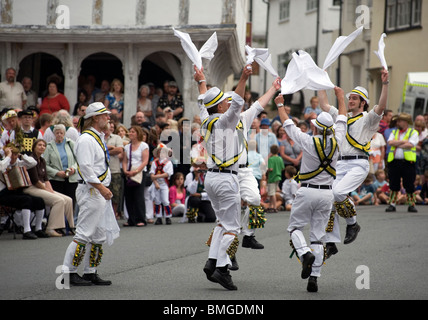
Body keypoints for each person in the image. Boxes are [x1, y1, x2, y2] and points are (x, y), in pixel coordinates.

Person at [277, 85, 347, 293]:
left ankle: (304, 252)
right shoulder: (338, 140)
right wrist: (340, 98)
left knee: (295, 229)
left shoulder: (308, 141)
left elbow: (288, 125)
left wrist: (280, 104)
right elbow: (342, 118)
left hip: (307, 190)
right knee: (318, 235)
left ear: (316, 128)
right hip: (327, 193)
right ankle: (314, 278)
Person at [318, 68, 389, 257]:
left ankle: (353, 224)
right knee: (328, 199)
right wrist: (321, 81)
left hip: (359, 164)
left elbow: (381, 107)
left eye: (354, 99)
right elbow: (324, 104)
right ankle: (331, 242)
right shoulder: (342, 116)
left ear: (363, 102)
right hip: (339, 164)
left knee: (338, 192)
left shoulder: (368, 119)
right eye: (349, 98)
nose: (350, 101)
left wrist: (385, 84)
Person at [61, 102, 117, 286]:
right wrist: (101, 188)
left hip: (99, 192)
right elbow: (85, 168)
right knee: (84, 233)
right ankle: (69, 272)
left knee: (98, 235)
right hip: (92, 190)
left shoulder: (96, 137)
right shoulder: (86, 139)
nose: (108, 118)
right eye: (105, 115)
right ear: (95, 118)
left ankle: (90, 272)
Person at [23, 139, 74, 237]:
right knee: (58, 200)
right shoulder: (31, 160)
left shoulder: (42, 160)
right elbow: (35, 181)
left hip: (42, 187)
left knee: (68, 200)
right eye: (39, 145)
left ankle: (69, 227)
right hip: (32, 187)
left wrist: (50, 190)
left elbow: (46, 179)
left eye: (43, 145)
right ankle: (51, 228)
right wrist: (47, 191)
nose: (42, 147)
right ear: (34, 147)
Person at [0, 144, 47, 239]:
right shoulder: (3, 163)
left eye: (15, 154)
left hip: (17, 192)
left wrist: (21, 155)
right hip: (3, 194)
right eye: (12, 154)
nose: (14, 157)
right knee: (26, 200)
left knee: (39, 201)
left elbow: (33, 163)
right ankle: (26, 230)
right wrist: (8, 156)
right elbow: (1, 168)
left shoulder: (19, 163)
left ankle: (38, 228)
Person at [385, 113, 419, 212]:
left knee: (409, 183)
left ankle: (411, 204)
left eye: (399, 121)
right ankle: (392, 204)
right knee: (393, 183)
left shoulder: (413, 132)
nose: (397, 123)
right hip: (394, 162)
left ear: (405, 122)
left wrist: (397, 143)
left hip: (408, 162)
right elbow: (390, 142)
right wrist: (404, 141)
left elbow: (411, 144)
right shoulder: (394, 132)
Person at [44, 124, 78, 211]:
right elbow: (45, 164)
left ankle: (69, 222)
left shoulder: (71, 144)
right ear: (54, 134)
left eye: (61, 133)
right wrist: (56, 172)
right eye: (57, 133)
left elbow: (78, 161)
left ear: (64, 134)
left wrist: (73, 169)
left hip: (71, 179)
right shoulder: (49, 146)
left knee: (70, 202)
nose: (59, 135)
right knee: (58, 203)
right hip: (56, 179)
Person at [122, 125, 149, 227]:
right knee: (128, 196)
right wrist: (125, 170)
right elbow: (125, 160)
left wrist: (136, 171)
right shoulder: (127, 147)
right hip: (129, 172)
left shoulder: (143, 146)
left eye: (133, 132)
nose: (130, 133)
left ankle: (140, 218)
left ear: (138, 133)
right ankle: (131, 219)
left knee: (138, 196)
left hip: (140, 173)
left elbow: (145, 161)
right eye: (130, 132)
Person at [183, 159, 216, 223]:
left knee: (212, 218)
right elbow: (192, 192)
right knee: (195, 200)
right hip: (193, 200)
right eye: (199, 166)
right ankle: (191, 216)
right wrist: (196, 178)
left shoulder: (208, 176)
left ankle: (201, 215)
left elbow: (211, 192)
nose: (201, 169)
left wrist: (200, 195)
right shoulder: (190, 176)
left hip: (205, 199)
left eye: (203, 167)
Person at [149, 143, 174, 225]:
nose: (162, 154)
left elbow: (168, 174)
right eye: (160, 152)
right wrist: (155, 182)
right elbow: (151, 174)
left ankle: (168, 216)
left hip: (164, 184)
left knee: (165, 200)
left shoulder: (168, 163)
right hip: (156, 184)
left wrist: (157, 176)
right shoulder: (154, 163)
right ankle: (158, 217)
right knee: (157, 201)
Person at [104, 121, 124, 219]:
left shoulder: (116, 138)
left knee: (115, 194)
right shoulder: (98, 138)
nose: (106, 131)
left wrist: (104, 150)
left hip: (114, 170)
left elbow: (119, 150)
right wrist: (111, 149)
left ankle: (113, 215)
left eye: (107, 129)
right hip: (102, 171)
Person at [267, 144, 284, 213]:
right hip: (278, 176)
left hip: (272, 177)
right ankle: (270, 206)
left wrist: (266, 170)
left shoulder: (271, 159)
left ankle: (274, 207)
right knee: (272, 192)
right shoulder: (280, 158)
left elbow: (270, 169)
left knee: (272, 193)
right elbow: (282, 168)